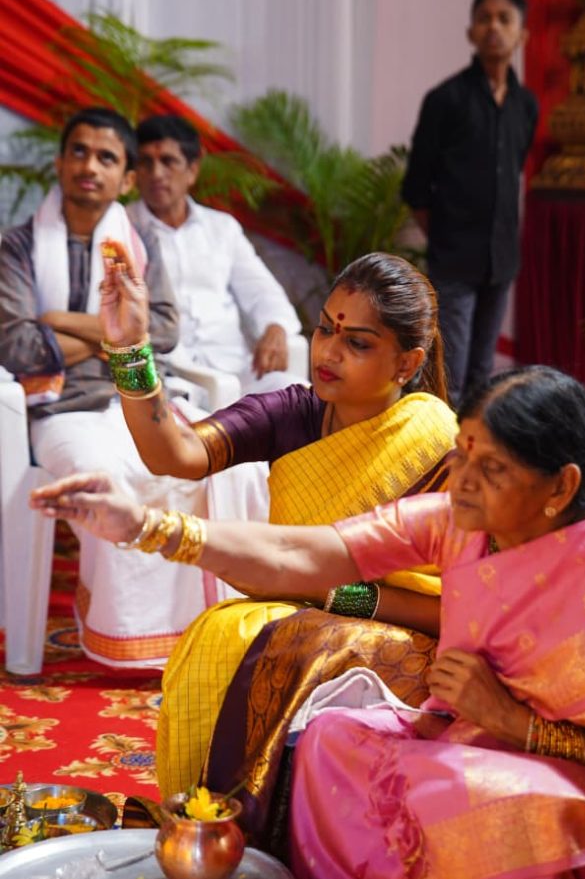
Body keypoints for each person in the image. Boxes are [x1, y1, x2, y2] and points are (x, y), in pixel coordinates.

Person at [31, 366, 585, 879]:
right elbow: (302, 552)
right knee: (331, 742)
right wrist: (146, 525)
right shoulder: (466, 521)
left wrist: (518, 725)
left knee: (486, 804)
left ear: (561, 488)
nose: (460, 481)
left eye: (491, 468)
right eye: (461, 453)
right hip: (480, 737)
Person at [49, 244, 456, 793]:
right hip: (302, 611)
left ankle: (251, 813)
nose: (328, 351)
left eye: (357, 342)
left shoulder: (438, 444)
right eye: (324, 330)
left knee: (265, 639)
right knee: (226, 632)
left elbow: (463, 611)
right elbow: (176, 454)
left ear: (407, 363)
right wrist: (129, 348)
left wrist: (333, 595)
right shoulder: (294, 413)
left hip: (412, 641)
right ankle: (218, 812)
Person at [0, 106, 213, 668]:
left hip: (137, 396)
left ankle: (193, 632)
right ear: (59, 163)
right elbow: (17, 346)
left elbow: (161, 330)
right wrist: (116, 334)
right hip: (59, 406)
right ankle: (129, 635)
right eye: (78, 151)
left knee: (206, 466)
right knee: (104, 477)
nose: (89, 166)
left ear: (126, 179)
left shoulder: (138, 244)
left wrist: (57, 320)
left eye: (106, 157)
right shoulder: (18, 247)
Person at [402, 0, 538, 407]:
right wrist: (449, 235)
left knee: (483, 376)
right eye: (484, 19)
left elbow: (514, 171)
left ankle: (475, 446)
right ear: (471, 32)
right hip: (454, 262)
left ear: (522, 35)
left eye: (504, 19)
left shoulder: (526, 105)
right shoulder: (445, 100)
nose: (493, 27)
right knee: (450, 379)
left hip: (502, 261)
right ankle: (441, 449)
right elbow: (416, 188)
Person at [127, 114, 304, 395]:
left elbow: (262, 291)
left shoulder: (221, 228)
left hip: (238, 370)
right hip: (168, 374)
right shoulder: (122, 227)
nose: (156, 173)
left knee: (297, 395)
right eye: (146, 162)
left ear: (192, 170)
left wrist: (275, 327)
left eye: (168, 161)